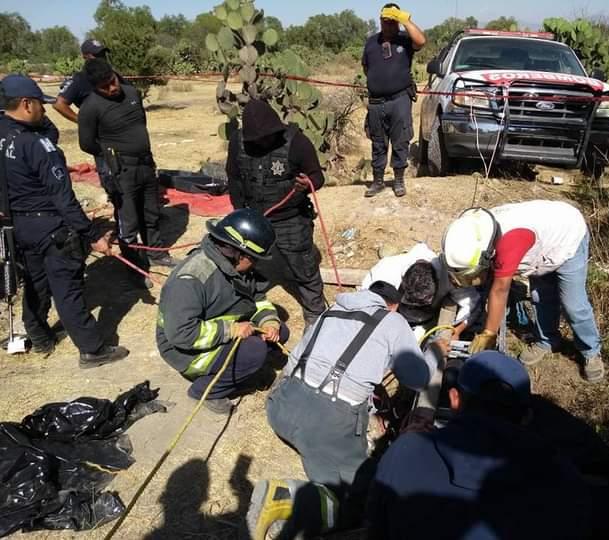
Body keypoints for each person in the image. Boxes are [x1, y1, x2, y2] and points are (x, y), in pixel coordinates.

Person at [256, 282, 444, 533]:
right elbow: (417, 379)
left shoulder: (331, 310)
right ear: (393, 306)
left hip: (281, 409)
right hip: (324, 426)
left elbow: (293, 362)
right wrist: (435, 353)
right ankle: (285, 498)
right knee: (362, 494)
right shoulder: (393, 321)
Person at [366, 351, 595, 540]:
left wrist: (411, 444)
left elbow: (376, 527)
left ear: (454, 399)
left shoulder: (405, 454)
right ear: (526, 417)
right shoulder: (562, 476)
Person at [0, 74, 128, 366]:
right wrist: (92, 234)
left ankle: (40, 335)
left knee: (35, 281)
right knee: (66, 288)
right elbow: (63, 199)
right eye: (40, 106)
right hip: (51, 226)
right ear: (26, 104)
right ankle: (92, 349)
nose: (45, 111)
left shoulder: (3, 134)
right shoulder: (38, 146)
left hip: (18, 227)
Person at [441, 201, 605, 383]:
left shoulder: (508, 242)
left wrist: (488, 333)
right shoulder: (472, 231)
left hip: (568, 239)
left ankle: (591, 350)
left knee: (573, 304)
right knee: (540, 297)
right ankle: (547, 340)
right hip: (539, 247)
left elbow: (500, 290)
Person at [156, 208, 289, 415]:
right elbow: (181, 334)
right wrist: (231, 330)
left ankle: (240, 368)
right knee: (254, 351)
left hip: (215, 327)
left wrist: (269, 321)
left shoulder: (235, 268)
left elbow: (257, 299)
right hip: (185, 351)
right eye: (254, 258)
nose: (256, 263)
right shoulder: (192, 279)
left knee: (281, 331)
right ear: (239, 252)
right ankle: (207, 390)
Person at [226, 99, 325, 328]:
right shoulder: (237, 143)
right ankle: (247, 306)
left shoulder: (297, 143)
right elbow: (234, 178)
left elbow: (317, 176)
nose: (262, 142)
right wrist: (240, 212)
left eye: (267, 137)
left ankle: (315, 313)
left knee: (303, 266)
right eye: (256, 140)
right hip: (253, 218)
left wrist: (308, 183)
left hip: (290, 218)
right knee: (246, 264)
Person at [78, 58, 175, 285]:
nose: (112, 88)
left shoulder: (132, 93)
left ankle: (157, 254)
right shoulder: (90, 108)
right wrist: (113, 153)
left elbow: (141, 121)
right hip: (122, 171)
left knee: (151, 214)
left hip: (145, 165)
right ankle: (135, 267)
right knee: (128, 221)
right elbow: (87, 144)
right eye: (105, 87)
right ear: (94, 88)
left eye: (112, 81)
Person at [362, 3, 426, 198]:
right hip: (376, 102)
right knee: (378, 143)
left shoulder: (405, 40)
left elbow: (421, 41)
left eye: (392, 22)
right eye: (385, 21)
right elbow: (366, 67)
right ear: (380, 21)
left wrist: (404, 19)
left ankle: (398, 180)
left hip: (399, 100)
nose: (388, 26)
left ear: (397, 23)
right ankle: (378, 181)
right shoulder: (371, 42)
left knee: (400, 141)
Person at [360, 242, 481, 337]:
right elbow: (363, 300)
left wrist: (457, 330)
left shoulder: (449, 277)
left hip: (427, 322)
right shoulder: (385, 271)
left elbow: (472, 305)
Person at [52, 39, 124, 193]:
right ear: (85, 57)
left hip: (123, 130)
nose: (102, 58)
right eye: (97, 55)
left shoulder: (113, 75)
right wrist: (82, 121)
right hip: (101, 136)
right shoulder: (79, 79)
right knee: (110, 173)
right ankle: (116, 199)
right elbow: (59, 104)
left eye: (103, 54)